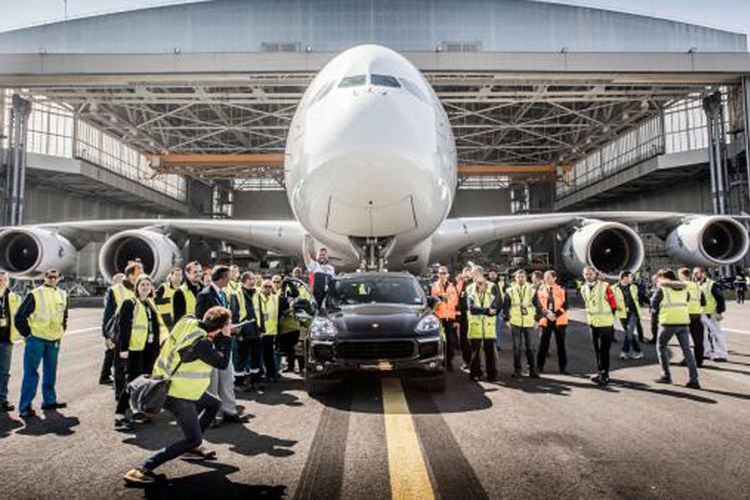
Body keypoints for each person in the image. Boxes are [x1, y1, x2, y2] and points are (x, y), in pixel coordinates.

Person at [124, 307, 234, 485]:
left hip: (171, 383)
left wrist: (219, 332)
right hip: (177, 393)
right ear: (221, 327)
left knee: (213, 404)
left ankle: (192, 449)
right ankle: (142, 469)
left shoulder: (187, 321)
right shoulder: (202, 343)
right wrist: (227, 337)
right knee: (193, 438)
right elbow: (222, 363)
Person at [195, 265, 248, 425]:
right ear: (223, 278)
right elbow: (200, 321)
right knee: (212, 382)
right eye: (229, 276)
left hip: (225, 342)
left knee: (226, 380)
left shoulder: (223, 293)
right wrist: (220, 331)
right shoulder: (204, 295)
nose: (231, 279)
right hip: (212, 345)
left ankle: (230, 412)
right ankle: (211, 416)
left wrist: (230, 328)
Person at [15, 269, 69, 417]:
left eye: (54, 277)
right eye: (49, 276)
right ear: (44, 278)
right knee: (31, 373)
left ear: (59, 278)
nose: (52, 279)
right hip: (36, 339)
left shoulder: (63, 295)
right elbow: (19, 317)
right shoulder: (35, 294)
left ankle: (49, 401)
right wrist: (28, 335)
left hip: (54, 339)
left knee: (50, 372)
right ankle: (25, 406)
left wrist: (62, 328)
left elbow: (64, 314)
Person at [114, 275, 163, 429]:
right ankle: (120, 415)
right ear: (137, 287)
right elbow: (124, 327)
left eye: (148, 284)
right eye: (142, 284)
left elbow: (155, 328)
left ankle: (137, 410)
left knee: (144, 381)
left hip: (148, 350)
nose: (145, 287)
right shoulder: (130, 303)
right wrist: (123, 349)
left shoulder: (150, 304)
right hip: (134, 349)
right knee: (132, 382)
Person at [651, 269, 701, 389]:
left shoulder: (662, 288)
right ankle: (694, 380)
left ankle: (666, 375)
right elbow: (687, 299)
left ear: (664, 278)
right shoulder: (684, 288)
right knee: (687, 351)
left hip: (668, 322)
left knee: (661, 347)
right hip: (683, 321)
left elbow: (653, 303)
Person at [106, 263, 143, 397]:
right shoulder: (116, 290)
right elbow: (108, 314)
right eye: (139, 272)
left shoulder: (143, 288)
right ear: (130, 275)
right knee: (120, 367)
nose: (143, 274)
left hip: (140, 336)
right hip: (121, 334)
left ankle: (134, 395)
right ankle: (120, 395)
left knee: (136, 368)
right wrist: (107, 336)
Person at [580, 266, 617, 386]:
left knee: (604, 351)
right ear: (583, 275)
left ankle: (605, 375)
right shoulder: (583, 288)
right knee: (596, 350)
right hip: (593, 323)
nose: (588, 276)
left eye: (590, 274)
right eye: (586, 274)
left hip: (605, 323)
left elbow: (613, 304)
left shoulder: (605, 286)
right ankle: (600, 372)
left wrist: (610, 317)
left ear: (595, 275)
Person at [100, 270, 137, 385]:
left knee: (112, 354)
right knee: (113, 354)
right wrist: (107, 334)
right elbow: (108, 314)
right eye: (118, 279)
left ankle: (107, 376)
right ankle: (107, 376)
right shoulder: (113, 292)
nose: (121, 281)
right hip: (115, 328)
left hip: (123, 326)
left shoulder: (128, 291)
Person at [253, 279, 291, 382]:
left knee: (269, 355)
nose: (268, 288)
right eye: (265, 286)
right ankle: (258, 375)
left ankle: (271, 375)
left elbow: (288, 304)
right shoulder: (256, 298)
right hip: (258, 331)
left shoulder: (276, 299)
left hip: (270, 332)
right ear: (261, 287)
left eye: (270, 287)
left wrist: (288, 283)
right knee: (256, 355)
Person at [503, 269, 539, 379]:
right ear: (515, 278)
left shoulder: (532, 290)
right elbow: (506, 306)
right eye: (519, 277)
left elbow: (538, 306)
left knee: (530, 348)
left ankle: (532, 370)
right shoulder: (510, 291)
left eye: (522, 276)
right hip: (515, 322)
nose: (521, 278)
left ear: (525, 278)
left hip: (528, 322)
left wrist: (537, 320)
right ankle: (517, 370)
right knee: (516, 348)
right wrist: (507, 319)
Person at [466, 268, 498, 381]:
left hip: (488, 324)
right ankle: (475, 373)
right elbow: (471, 308)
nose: (473, 276)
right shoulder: (469, 288)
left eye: (475, 273)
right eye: (472, 274)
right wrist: (486, 311)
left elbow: (496, 306)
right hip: (475, 324)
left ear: (481, 273)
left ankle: (492, 375)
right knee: (475, 351)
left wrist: (489, 311)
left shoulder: (492, 286)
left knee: (490, 352)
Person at [535, 270, 569, 374]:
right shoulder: (540, 290)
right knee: (543, 344)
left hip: (559, 321)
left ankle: (563, 368)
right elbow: (539, 305)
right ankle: (539, 366)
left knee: (561, 345)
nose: (547, 279)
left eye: (549, 277)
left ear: (554, 278)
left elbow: (565, 305)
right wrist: (547, 314)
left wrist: (555, 314)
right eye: (545, 277)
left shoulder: (562, 290)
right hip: (546, 320)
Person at [694, 267, 728, 362]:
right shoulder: (697, 284)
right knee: (703, 334)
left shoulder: (712, 284)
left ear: (703, 273)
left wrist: (719, 312)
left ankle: (722, 354)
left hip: (711, 313)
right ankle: (706, 351)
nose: (695, 275)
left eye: (696, 273)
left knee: (716, 333)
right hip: (701, 313)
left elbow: (720, 298)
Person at [235, 272, 262, 389]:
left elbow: (260, 311)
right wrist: (238, 332)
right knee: (241, 358)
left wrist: (262, 329)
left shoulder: (256, 293)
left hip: (255, 330)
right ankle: (239, 383)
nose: (254, 281)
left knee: (256, 358)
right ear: (245, 280)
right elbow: (235, 313)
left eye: (254, 278)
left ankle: (254, 381)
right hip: (243, 331)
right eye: (251, 279)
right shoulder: (237, 293)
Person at [430, 266, 459, 371]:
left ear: (448, 274)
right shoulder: (433, 286)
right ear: (438, 274)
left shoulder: (452, 287)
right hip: (439, 318)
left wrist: (457, 320)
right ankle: (441, 362)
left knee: (450, 342)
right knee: (440, 341)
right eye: (441, 273)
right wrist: (441, 298)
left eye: (444, 273)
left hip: (450, 318)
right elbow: (431, 301)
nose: (442, 275)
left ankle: (449, 362)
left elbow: (456, 303)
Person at [0, 271, 21, 412]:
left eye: (4, 279)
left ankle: (2, 400)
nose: (2, 281)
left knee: (4, 372)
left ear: (7, 281)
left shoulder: (14, 298)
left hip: (7, 340)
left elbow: (19, 317)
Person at [613, 271, 644, 360]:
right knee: (629, 333)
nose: (632, 278)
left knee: (629, 331)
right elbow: (610, 300)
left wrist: (651, 303)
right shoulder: (614, 288)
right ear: (624, 277)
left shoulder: (634, 287)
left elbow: (641, 296)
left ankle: (624, 352)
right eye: (630, 277)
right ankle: (638, 351)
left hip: (633, 312)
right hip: (622, 314)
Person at [679, 268, 705, 367]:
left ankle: (687, 359)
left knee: (685, 340)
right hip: (697, 315)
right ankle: (699, 361)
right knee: (698, 340)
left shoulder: (682, 286)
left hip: (685, 315)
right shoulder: (697, 286)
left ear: (682, 275)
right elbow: (703, 302)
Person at [277, 277, 303, 373]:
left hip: (294, 327)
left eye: (278, 282)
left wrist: (288, 282)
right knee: (288, 350)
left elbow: (296, 293)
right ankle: (290, 367)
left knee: (297, 348)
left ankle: (301, 367)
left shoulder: (294, 298)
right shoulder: (278, 296)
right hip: (283, 328)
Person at [456, 266, 474, 370]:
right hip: (463, 317)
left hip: (473, 316)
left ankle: (474, 363)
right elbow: (456, 301)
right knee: (463, 340)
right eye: (465, 274)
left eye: (468, 274)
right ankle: (467, 362)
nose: (467, 276)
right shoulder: (459, 284)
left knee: (473, 342)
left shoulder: (474, 284)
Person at [487, 267, 505, 352]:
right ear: (489, 275)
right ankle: (490, 345)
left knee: (498, 329)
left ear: (497, 275)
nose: (493, 275)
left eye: (494, 274)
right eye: (491, 274)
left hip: (499, 308)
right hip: (490, 309)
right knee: (489, 328)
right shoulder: (486, 283)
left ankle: (496, 344)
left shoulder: (501, 283)